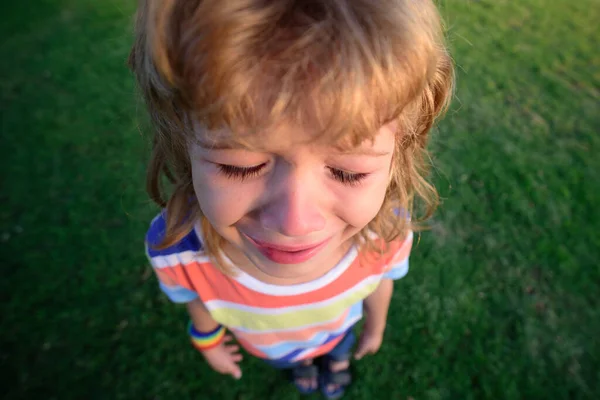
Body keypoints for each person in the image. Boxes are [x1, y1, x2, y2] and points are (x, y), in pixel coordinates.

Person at [130, 0, 453, 398]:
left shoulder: (385, 234)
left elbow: (380, 284)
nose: (294, 223)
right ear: (182, 142)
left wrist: (376, 325)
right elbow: (195, 295)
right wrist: (207, 338)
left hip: (340, 330)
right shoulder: (177, 247)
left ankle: (335, 363)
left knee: (340, 345)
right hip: (270, 349)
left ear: (398, 153)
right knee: (293, 359)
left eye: (349, 172)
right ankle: (301, 365)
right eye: (240, 166)